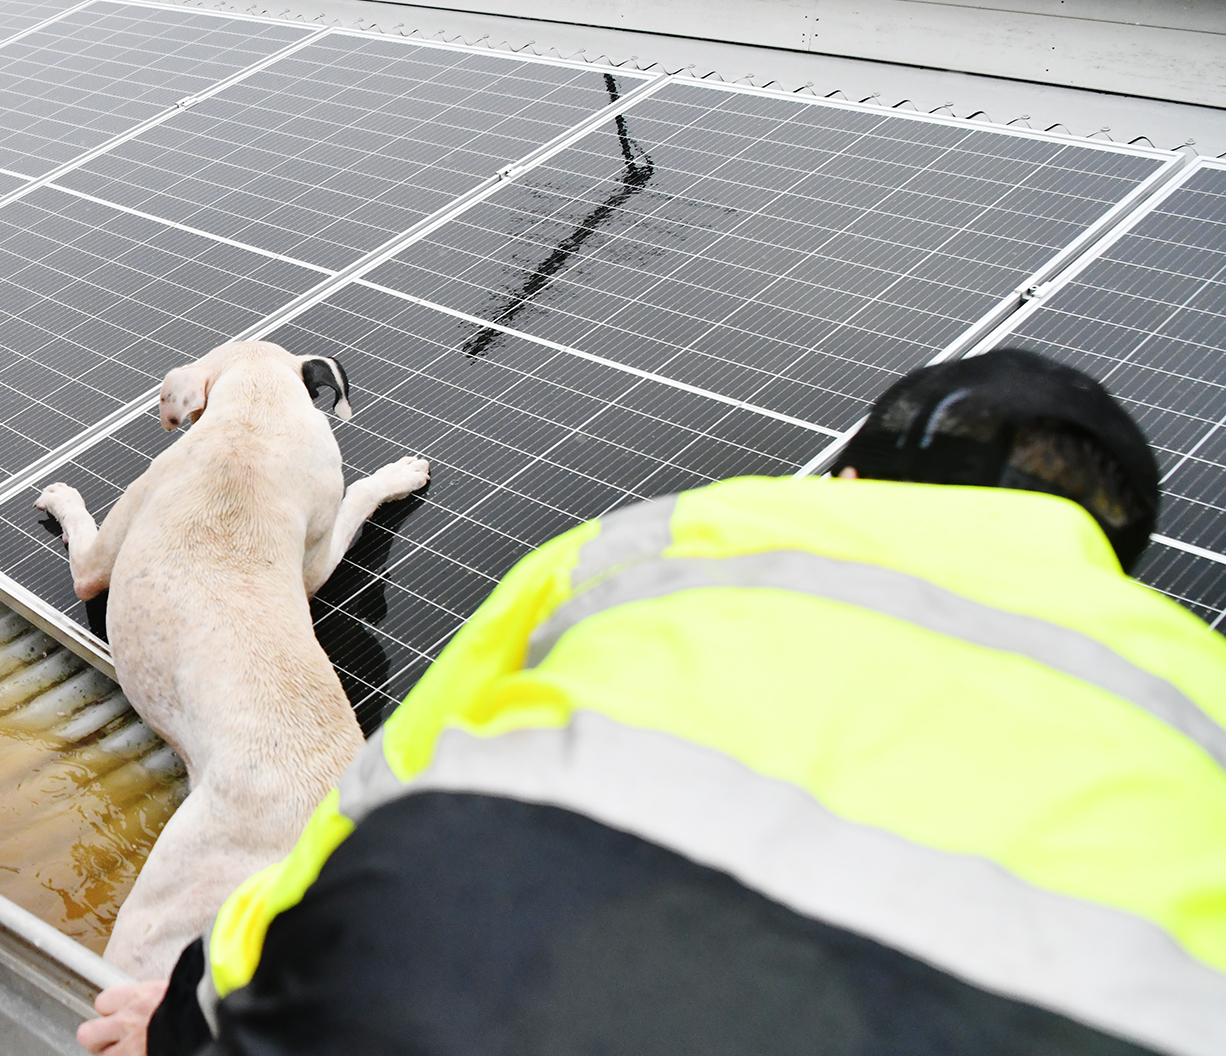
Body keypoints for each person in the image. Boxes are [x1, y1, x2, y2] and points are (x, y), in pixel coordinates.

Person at [82, 348, 1226, 1056]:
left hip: (422, 998)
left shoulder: (658, 541)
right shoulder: (1197, 694)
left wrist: (186, 1021)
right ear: (1110, 556)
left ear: (850, 479)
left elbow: (362, 802)